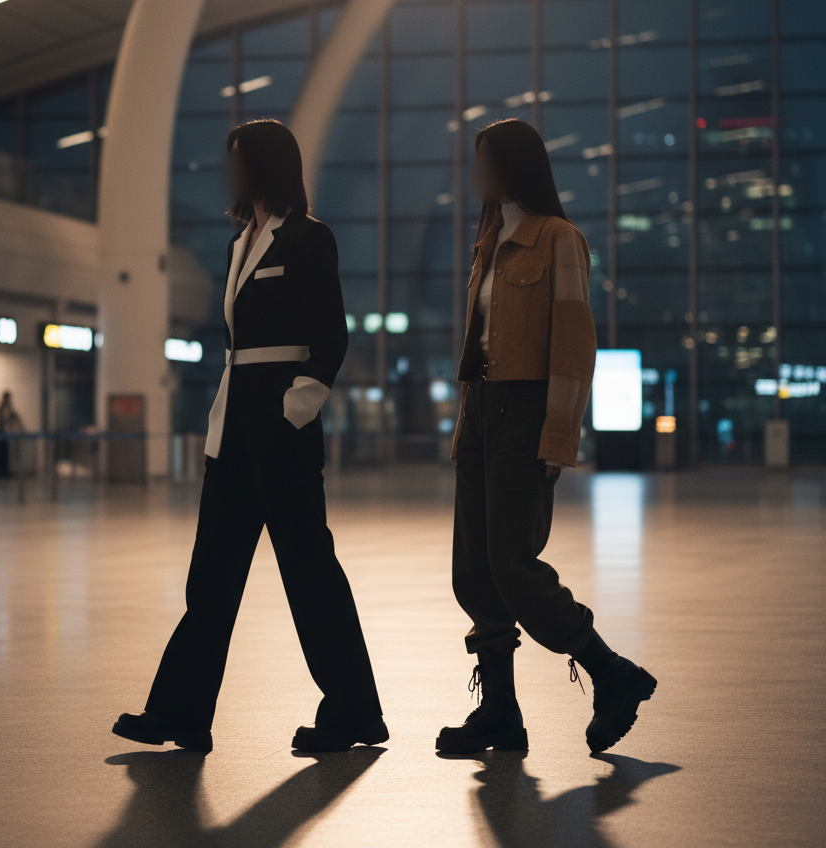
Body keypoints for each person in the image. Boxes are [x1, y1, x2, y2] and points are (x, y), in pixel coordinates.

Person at [113, 119, 386, 754]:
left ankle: (354, 712)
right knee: (210, 576)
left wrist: (296, 410)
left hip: (281, 430)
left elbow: (331, 337)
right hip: (234, 429)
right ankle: (180, 712)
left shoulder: (309, 238)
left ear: (265, 166)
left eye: (237, 160)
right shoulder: (243, 242)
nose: (228, 172)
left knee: (309, 574)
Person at [436, 118, 656, 756]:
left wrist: (559, 432)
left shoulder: (558, 238)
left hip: (527, 408)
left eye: (484, 162)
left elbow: (573, 342)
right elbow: (477, 346)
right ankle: (501, 713)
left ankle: (611, 671)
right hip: (482, 408)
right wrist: (466, 422)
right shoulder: (487, 241)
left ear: (513, 167)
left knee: (512, 563)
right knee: (471, 570)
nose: (475, 175)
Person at [0, 390, 22, 478]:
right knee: (4, 455)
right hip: (4, 434)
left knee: (11, 455)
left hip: (10, 434)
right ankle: (4, 472)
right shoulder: (1, 409)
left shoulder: (10, 409)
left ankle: (10, 471)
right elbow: (1, 422)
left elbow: (16, 419)